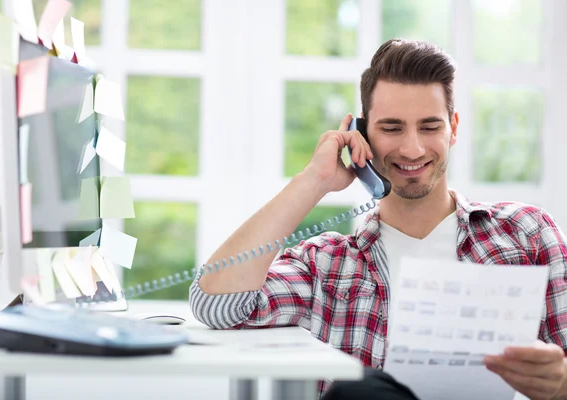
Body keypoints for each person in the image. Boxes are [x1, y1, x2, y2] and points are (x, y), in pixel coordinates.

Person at [188, 38, 567, 400]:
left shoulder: (526, 235)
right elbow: (215, 303)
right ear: (362, 133)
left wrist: (560, 384)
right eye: (391, 128)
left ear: (453, 128)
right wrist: (314, 181)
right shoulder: (328, 264)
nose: (413, 148)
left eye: (430, 127)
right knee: (362, 392)